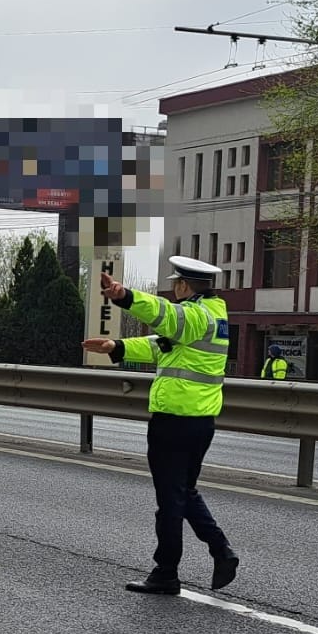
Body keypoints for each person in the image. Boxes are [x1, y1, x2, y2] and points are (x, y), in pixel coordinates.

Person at [83, 255, 237, 596]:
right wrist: (117, 347)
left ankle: (166, 573)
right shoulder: (213, 316)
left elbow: (164, 314)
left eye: (175, 284)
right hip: (200, 421)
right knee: (183, 492)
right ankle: (221, 550)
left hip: (175, 421)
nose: (173, 291)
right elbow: (162, 346)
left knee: (170, 501)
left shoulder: (194, 315)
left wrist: (125, 296)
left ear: (183, 285)